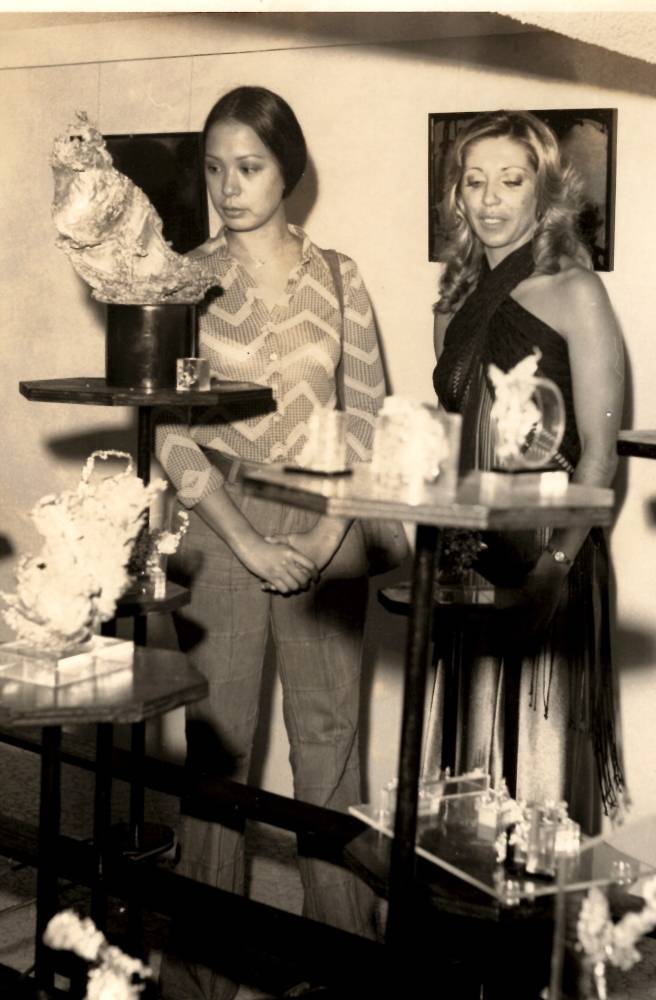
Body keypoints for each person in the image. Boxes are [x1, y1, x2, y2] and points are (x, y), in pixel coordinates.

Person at [154, 86, 385, 999]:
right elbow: (171, 433)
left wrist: (327, 533)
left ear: (288, 169)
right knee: (218, 753)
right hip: (222, 523)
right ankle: (200, 976)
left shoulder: (341, 277)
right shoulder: (183, 279)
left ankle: (348, 969)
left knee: (329, 747)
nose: (228, 187)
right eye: (215, 169)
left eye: (248, 167)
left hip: (332, 513)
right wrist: (248, 543)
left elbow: (365, 418)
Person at [429, 109, 626, 834]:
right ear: (457, 193)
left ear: (543, 190)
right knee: (467, 777)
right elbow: (460, 440)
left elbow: (600, 455)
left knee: (540, 793)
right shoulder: (452, 303)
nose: (490, 200)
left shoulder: (576, 290)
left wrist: (553, 570)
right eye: (474, 181)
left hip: (552, 554)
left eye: (510, 181)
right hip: (470, 557)